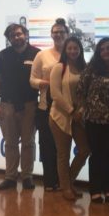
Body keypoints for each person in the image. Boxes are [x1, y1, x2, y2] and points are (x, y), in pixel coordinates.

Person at [0, 23, 40, 191]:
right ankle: (10, 177)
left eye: (19, 34)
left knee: (28, 142)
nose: (16, 37)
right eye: (12, 35)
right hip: (7, 106)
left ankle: (27, 176)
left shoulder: (37, 54)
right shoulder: (3, 56)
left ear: (25, 34)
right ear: (9, 39)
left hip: (29, 105)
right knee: (10, 143)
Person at [78, 37, 109, 203]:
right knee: (97, 155)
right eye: (102, 49)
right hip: (94, 120)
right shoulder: (91, 69)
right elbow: (81, 90)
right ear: (98, 52)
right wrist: (83, 109)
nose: (106, 51)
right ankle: (95, 190)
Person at [29, 18, 69, 192]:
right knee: (47, 146)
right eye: (55, 32)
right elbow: (32, 80)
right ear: (51, 35)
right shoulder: (41, 55)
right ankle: (49, 182)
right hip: (45, 108)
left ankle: (64, 182)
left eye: (61, 32)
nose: (58, 35)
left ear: (67, 34)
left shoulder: (73, 54)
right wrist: (44, 83)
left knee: (63, 149)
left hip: (67, 109)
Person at [49, 37, 90, 201]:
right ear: (65, 50)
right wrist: (72, 110)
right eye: (70, 48)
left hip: (79, 117)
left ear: (80, 50)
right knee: (63, 154)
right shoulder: (59, 67)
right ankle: (66, 187)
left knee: (85, 150)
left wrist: (81, 110)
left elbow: (88, 93)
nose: (73, 51)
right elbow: (55, 94)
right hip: (60, 117)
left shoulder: (85, 69)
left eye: (76, 48)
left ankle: (67, 182)